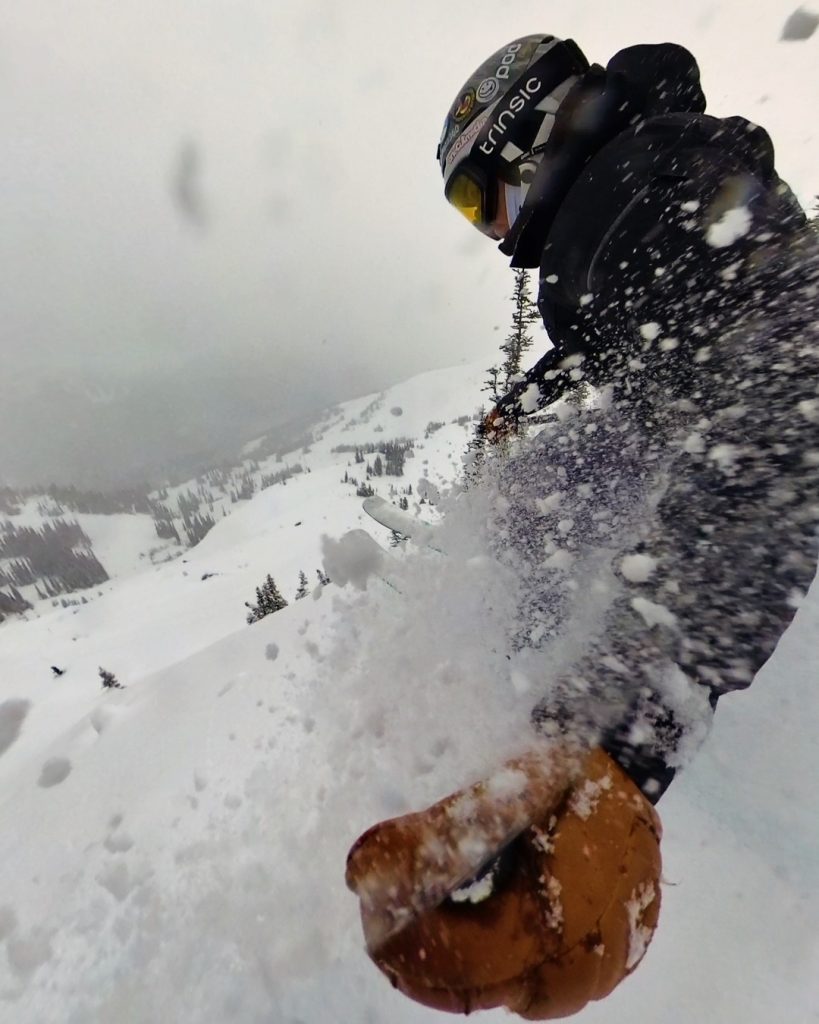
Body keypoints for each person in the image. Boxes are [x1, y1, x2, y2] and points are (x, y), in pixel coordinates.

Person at [347, 35, 819, 1018]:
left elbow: (781, 403)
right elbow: (724, 320)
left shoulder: (615, 213)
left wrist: (622, 740)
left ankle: (544, 717)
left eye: (487, 198)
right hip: (689, 520)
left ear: (535, 144)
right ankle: (539, 701)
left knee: (539, 498)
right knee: (538, 488)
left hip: (703, 579)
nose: (498, 231)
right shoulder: (656, 179)